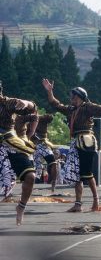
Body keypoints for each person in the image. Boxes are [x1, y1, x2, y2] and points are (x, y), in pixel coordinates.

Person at [42, 78, 101, 212]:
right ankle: (78, 203)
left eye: (73, 96)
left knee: (86, 173)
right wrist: (50, 91)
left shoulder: (87, 106)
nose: (71, 98)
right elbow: (55, 104)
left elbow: (100, 109)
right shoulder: (71, 110)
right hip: (75, 142)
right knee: (76, 174)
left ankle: (95, 200)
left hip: (86, 141)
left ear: (80, 97)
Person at [0, 79, 38, 225]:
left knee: (30, 176)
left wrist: (25, 102)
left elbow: (33, 107)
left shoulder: (8, 103)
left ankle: (21, 207)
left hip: (10, 142)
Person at [31, 114, 58, 192]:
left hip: (43, 144)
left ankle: (53, 183)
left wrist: (37, 117)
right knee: (34, 167)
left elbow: (50, 117)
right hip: (32, 146)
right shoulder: (26, 119)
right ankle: (30, 186)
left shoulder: (42, 118)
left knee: (53, 163)